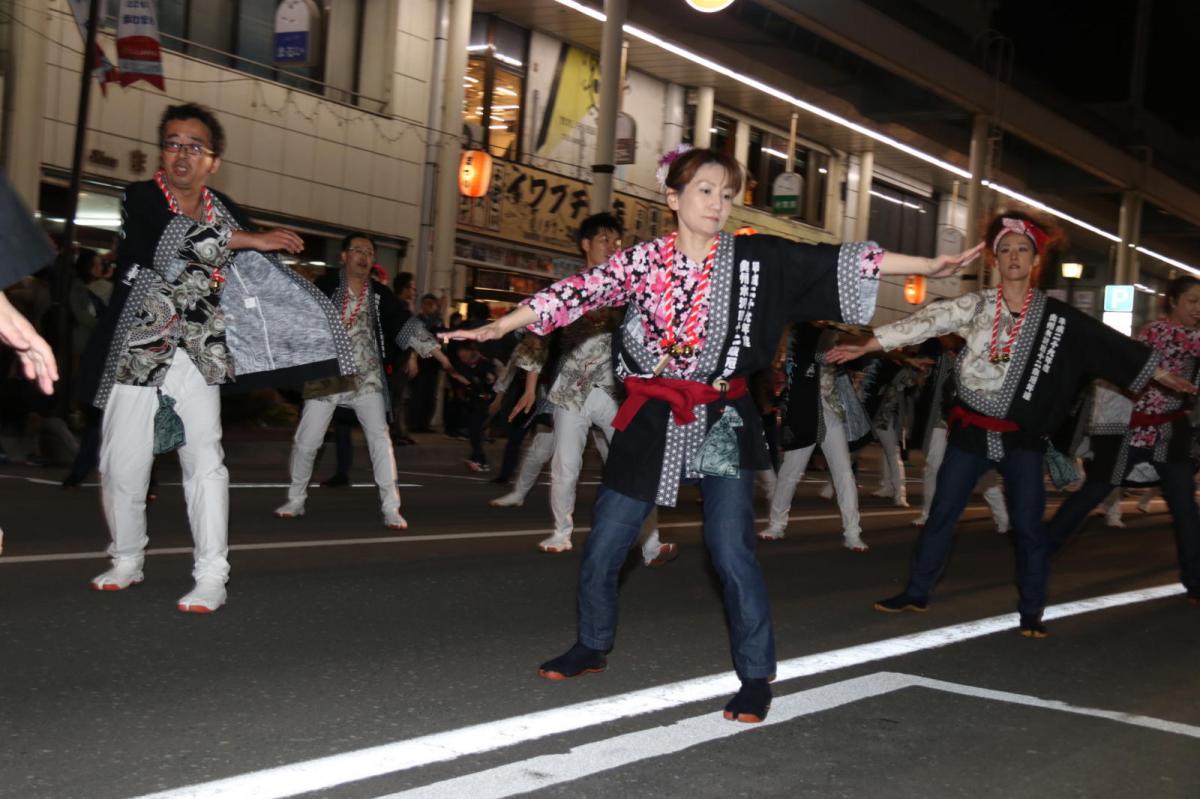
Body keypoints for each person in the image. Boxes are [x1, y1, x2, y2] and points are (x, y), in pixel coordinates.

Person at [443, 146, 978, 723]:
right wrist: (501, 323)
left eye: (726, 194)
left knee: (731, 550)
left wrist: (927, 264)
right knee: (605, 544)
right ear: (672, 197)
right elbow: (574, 293)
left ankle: (755, 676)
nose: (717, 204)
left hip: (722, 415)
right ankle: (592, 644)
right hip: (653, 414)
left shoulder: (754, 259)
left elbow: (834, 261)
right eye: (705, 191)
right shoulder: (643, 261)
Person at [827, 209, 1193, 635]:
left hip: (1022, 438)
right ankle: (916, 591)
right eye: (1005, 250)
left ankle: (1031, 611)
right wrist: (868, 344)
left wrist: (1157, 372)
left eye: (1022, 249)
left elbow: (1107, 345)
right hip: (971, 431)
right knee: (942, 513)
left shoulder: (1059, 318)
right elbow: (925, 322)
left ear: (1035, 259)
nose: (1014, 256)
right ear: (994, 260)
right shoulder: (977, 305)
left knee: (1029, 526)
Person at [81, 102, 356, 613]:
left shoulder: (223, 208)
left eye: (194, 146)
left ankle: (212, 574)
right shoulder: (140, 197)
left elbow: (258, 276)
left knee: (205, 461)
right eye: (172, 143)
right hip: (139, 346)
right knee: (122, 463)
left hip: (200, 350)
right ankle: (126, 558)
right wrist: (252, 239)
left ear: (214, 161)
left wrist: (310, 319)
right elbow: (166, 240)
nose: (181, 154)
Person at [500, 213, 677, 566]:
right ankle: (561, 532)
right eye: (604, 240)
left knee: (632, 466)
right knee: (565, 464)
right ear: (585, 244)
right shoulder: (570, 289)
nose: (612, 247)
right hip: (571, 389)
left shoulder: (631, 291)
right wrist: (531, 388)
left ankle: (651, 544)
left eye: (616, 241)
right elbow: (538, 337)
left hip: (617, 392)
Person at [275, 235, 458, 528]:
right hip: (328, 374)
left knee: (380, 441)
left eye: (369, 252)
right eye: (357, 250)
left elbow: (404, 323)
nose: (364, 256)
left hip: (367, 377)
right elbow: (297, 314)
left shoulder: (381, 294)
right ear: (344, 256)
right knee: (307, 440)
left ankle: (391, 508)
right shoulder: (325, 285)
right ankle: (295, 499)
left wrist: (441, 358)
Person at [1042, 275, 1200, 604]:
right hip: (1132, 431)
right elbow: (1165, 354)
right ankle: (1039, 552)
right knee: (1092, 494)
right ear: (1173, 301)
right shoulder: (1157, 332)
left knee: (1185, 508)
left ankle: (1195, 581)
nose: (1198, 309)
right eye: (1192, 301)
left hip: (1171, 432)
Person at [759, 323, 871, 550]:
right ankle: (777, 525)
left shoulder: (833, 334)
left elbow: (857, 360)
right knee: (790, 472)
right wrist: (841, 339)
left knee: (844, 473)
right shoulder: (802, 332)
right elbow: (811, 358)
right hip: (804, 412)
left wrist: (856, 339)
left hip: (830, 413)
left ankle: (852, 532)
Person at [908, 335, 1009, 532]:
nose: (942, 337)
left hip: (970, 420)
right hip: (942, 418)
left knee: (981, 472)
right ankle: (928, 514)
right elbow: (926, 385)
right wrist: (920, 377)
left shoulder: (975, 350)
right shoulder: (938, 354)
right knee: (933, 466)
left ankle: (1003, 516)